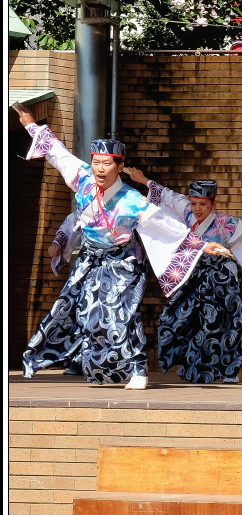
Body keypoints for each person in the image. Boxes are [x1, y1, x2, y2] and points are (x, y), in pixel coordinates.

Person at [13, 103, 208, 389]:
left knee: (120, 311)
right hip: (91, 258)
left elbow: (166, 225)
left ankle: (138, 368)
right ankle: (91, 364)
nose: (100, 169)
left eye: (107, 164)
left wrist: (202, 246)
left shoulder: (133, 200)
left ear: (119, 166)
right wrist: (30, 124)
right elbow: (57, 152)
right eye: (96, 162)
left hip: (124, 262)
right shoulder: (83, 179)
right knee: (82, 310)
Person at [122, 168, 242, 383]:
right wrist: (144, 180)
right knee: (177, 319)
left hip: (223, 279)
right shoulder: (185, 211)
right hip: (193, 275)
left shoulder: (227, 224)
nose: (198, 209)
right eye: (194, 203)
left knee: (226, 324)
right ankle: (194, 366)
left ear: (213, 203)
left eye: (203, 204)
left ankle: (229, 371)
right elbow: (167, 196)